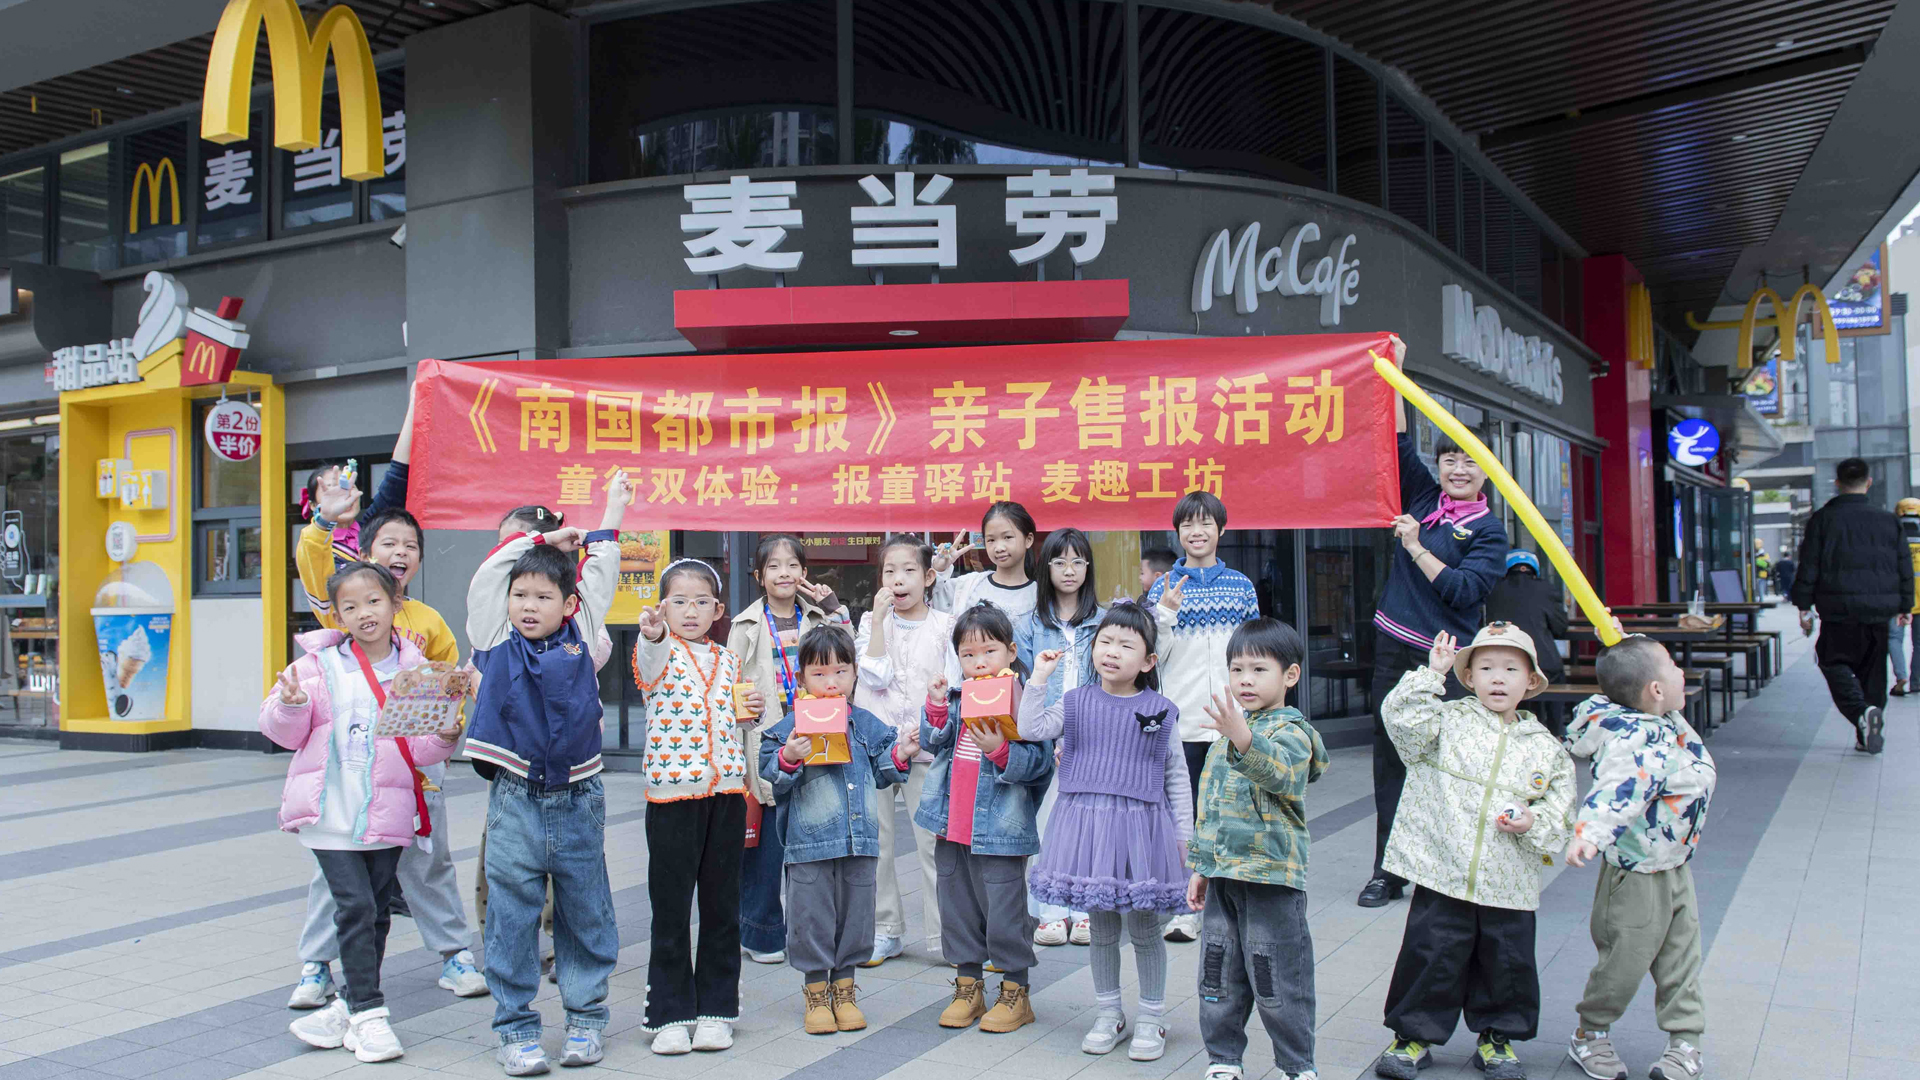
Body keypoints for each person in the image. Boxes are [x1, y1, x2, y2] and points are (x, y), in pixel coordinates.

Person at [285, 397, 486, 1009]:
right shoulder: (342, 607)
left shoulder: (428, 621)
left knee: (428, 863)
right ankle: (316, 967)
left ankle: (453, 955)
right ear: (366, 553)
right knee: (335, 873)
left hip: (413, 773)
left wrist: (451, 719)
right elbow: (312, 560)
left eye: (411, 545)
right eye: (389, 543)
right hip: (347, 775)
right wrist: (325, 522)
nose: (401, 552)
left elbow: (446, 693)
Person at [268, 562, 462, 1064]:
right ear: (338, 615)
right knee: (354, 907)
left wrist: (446, 735)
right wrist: (291, 705)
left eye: (373, 601)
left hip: (387, 813)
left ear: (395, 603)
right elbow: (283, 733)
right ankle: (372, 1016)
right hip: (329, 815)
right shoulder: (315, 667)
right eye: (350, 606)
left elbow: (421, 751)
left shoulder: (419, 672)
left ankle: (347, 1008)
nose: (364, 613)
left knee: (375, 913)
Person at [466, 476, 628, 1075]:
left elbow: (601, 571)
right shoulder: (492, 635)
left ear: (569, 605)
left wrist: (612, 512)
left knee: (586, 910)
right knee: (511, 917)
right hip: (515, 797)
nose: (528, 605)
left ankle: (585, 1021)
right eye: (520, 595)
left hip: (579, 795)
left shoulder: (584, 633)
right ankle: (515, 1029)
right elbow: (488, 575)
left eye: (542, 596)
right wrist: (541, 540)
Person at [1373, 623, 1575, 1080]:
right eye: (1486, 668)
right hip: (1443, 868)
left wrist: (1532, 821)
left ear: (1531, 681)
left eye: (1510, 669)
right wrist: (1432, 675)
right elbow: (1400, 720)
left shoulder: (1546, 749)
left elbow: (1559, 814)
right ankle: (1412, 1035)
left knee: (1507, 962)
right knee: (1431, 952)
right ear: (1468, 677)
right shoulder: (1446, 721)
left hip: (1509, 879)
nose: (1498, 678)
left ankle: (1498, 1038)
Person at [1364, 342, 1509, 908]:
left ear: (1486, 471)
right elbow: (1398, 442)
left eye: (1469, 461)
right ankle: (1387, 870)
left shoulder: (1490, 531)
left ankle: (1443, 866)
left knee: (1444, 761)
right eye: (1450, 458)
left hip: (1446, 662)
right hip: (1392, 648)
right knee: (1389, 759)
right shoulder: (1425, 498)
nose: (1457, 469)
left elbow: (1465, 590)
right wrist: (1394, 371)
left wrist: (1417, 547)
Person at [1018, 603, 1190, 1061]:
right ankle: (1108, 1013)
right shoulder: (1076, 701)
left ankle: (1152, 1017)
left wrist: (1184, 838)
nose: (1112, 652)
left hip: (1143, 831)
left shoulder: (1161, 711)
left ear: (1148, 661)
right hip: (1088, 829)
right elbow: (1030, 727)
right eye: (1105, 641)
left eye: (1126, 645)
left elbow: (1176, 777)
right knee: (1102, 928)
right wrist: (1038, 679)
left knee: (1146, 928)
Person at [1563, 637, 1717, 1080]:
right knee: (1624, 961)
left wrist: (1619, 636)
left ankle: (1685, 1039)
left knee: (1681, 958)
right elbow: (1617, 788)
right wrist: (1590, 833)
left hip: (1673, 865)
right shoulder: (1635, 738)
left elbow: (1631, 667)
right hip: (1636, 875)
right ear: (1655, 689)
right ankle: (1590, 1032)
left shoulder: (1663, 717)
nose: (1681, 670)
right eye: (1672, 665)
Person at [1187, 618, 1328, 1080]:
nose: (1245, 680)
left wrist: (1241, 737)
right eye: (1237, 669)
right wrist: (1201, 866)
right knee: (1217, 974)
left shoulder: (1294, 731)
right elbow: (1210, 806)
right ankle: (1223, 1059)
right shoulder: (1230, 733)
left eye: (1258, 669)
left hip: (1270, 880)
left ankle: (1296, 1065)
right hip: (1223, 877)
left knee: (1277, 977)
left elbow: (1282, 773)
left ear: (1290, 675)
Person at [760, 625, 916, 1034]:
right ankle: (815, 993)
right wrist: (789, 756)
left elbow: (884, 771)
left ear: (854, 674)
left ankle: (844, 991)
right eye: (820, 673)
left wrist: (901, 753)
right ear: (801, 678)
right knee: (810, 918)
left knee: (856, 917)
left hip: (859, 843)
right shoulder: (788, 728)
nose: (831, 683)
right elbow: (772, 774)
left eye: (841, 672)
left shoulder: (865, 724)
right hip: (808, 846)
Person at [635, 557, 760, 1054]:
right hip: (672, 796)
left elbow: (736, 718)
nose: (690, 611)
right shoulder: (657, 651)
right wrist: (651, 634)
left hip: (726, 794)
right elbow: (650, 655)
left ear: (718, 610)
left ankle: (716, 1010)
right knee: (670, 908)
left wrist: (748, 716)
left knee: (722, 905)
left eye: (701, 601)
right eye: (680, 601)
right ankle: (668, 1014)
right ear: (663, 608)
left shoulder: (729, 660)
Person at [917, 602, 1055, 1035]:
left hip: (1001, 830)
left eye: (989, 651)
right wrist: (936, 705)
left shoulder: (1024, 700)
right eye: (968, 654)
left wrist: (1000, 751)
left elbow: (1041, 764)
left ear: (1011, 652)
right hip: (951, 824)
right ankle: (968, 986)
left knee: (1005, 911)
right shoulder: (958, 698)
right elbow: (932, 741)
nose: (979, 662)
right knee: (956, 908)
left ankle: (1015, 990)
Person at [727, 534, 848, 966]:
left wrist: (834, 609)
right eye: (774, 566)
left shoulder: (817, 616)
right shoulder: (744, 625)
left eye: (792, 565)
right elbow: (729, 688)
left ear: (804, 573)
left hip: (816, 734)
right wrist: (738, 748)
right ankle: (759, 933)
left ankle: (812, 930)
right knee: (765, 850)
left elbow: (846, 659)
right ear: (759, 576)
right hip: (767, 738)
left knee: (812, 838)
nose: (784, 573)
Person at [1147, 490, 1261, 942]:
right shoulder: (1163, 587)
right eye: (1188, 525)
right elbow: (1153, 657)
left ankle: (1231, 903)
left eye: (1205, 523)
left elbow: (1255, 653)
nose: (1197, 532)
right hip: (1184, 723)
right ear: (1177, 532)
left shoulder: (1241, 586)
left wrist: (1253, 709)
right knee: (1187, 817)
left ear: (1221, 530)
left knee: (1232, 813)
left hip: (1233, 722)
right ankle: (1185, 908)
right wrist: (1165, 614)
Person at [856, 535, 960, 967]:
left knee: (933, 846)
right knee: (877, 844)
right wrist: (878, 623)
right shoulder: (870, 622)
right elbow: (873, 676)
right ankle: (885, 930)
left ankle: (946, 936)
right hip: (877, 750)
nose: (898, 580)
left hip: (926, 750)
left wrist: (931, 729)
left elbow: (952, 687)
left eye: (909, 570)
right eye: (889, 571)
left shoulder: (947, 626)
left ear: (929, 577)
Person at [1014, 527, 1106, 948]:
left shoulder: (1104, 622)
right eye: (1059, 562)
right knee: (1047, 825)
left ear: (1088, 567)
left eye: (1078, 562)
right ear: (1045, 567)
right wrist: (1050, 741)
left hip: (1093, 741)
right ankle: (1050, 910)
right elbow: (1024, 687)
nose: (1069, 570)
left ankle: (1084, 910)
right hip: (1043, 742)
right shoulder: (1027, 625)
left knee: (1091, 826)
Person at [1790, 457, 1911, 754]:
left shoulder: (1822, 519)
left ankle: (1860, 713)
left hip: (1838, 610)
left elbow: (1809, 565)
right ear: (1868, 483)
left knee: (1831, 661)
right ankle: (1866, 728)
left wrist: (1803, 605)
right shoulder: (1888, 520)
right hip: (1878, 613)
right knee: (1874, 672)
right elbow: (1903, 565)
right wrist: (1906, 605)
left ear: (1838, 484)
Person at [1482, 550, 1570, 736]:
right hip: (1544, 664)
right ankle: (1556, 733)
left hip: (1503, 666)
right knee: (1556, 678)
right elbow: (1560, 628)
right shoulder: (1546, 588)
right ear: (1534, 568)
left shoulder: (1493, 589)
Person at [933, 501, 1041, 620]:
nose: (999, 548)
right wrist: (939, 570)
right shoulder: (967, 586)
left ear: (1028, 540)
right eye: (991, 540)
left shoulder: (1041, 595)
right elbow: (924, 601)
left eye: (1007, 537)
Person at [1891, 499, 1920, 697]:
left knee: (1895, 638)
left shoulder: (1891, 533)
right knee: (1919, 643)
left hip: (1897, 596)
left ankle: (1901, 677)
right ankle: (1917, 682)